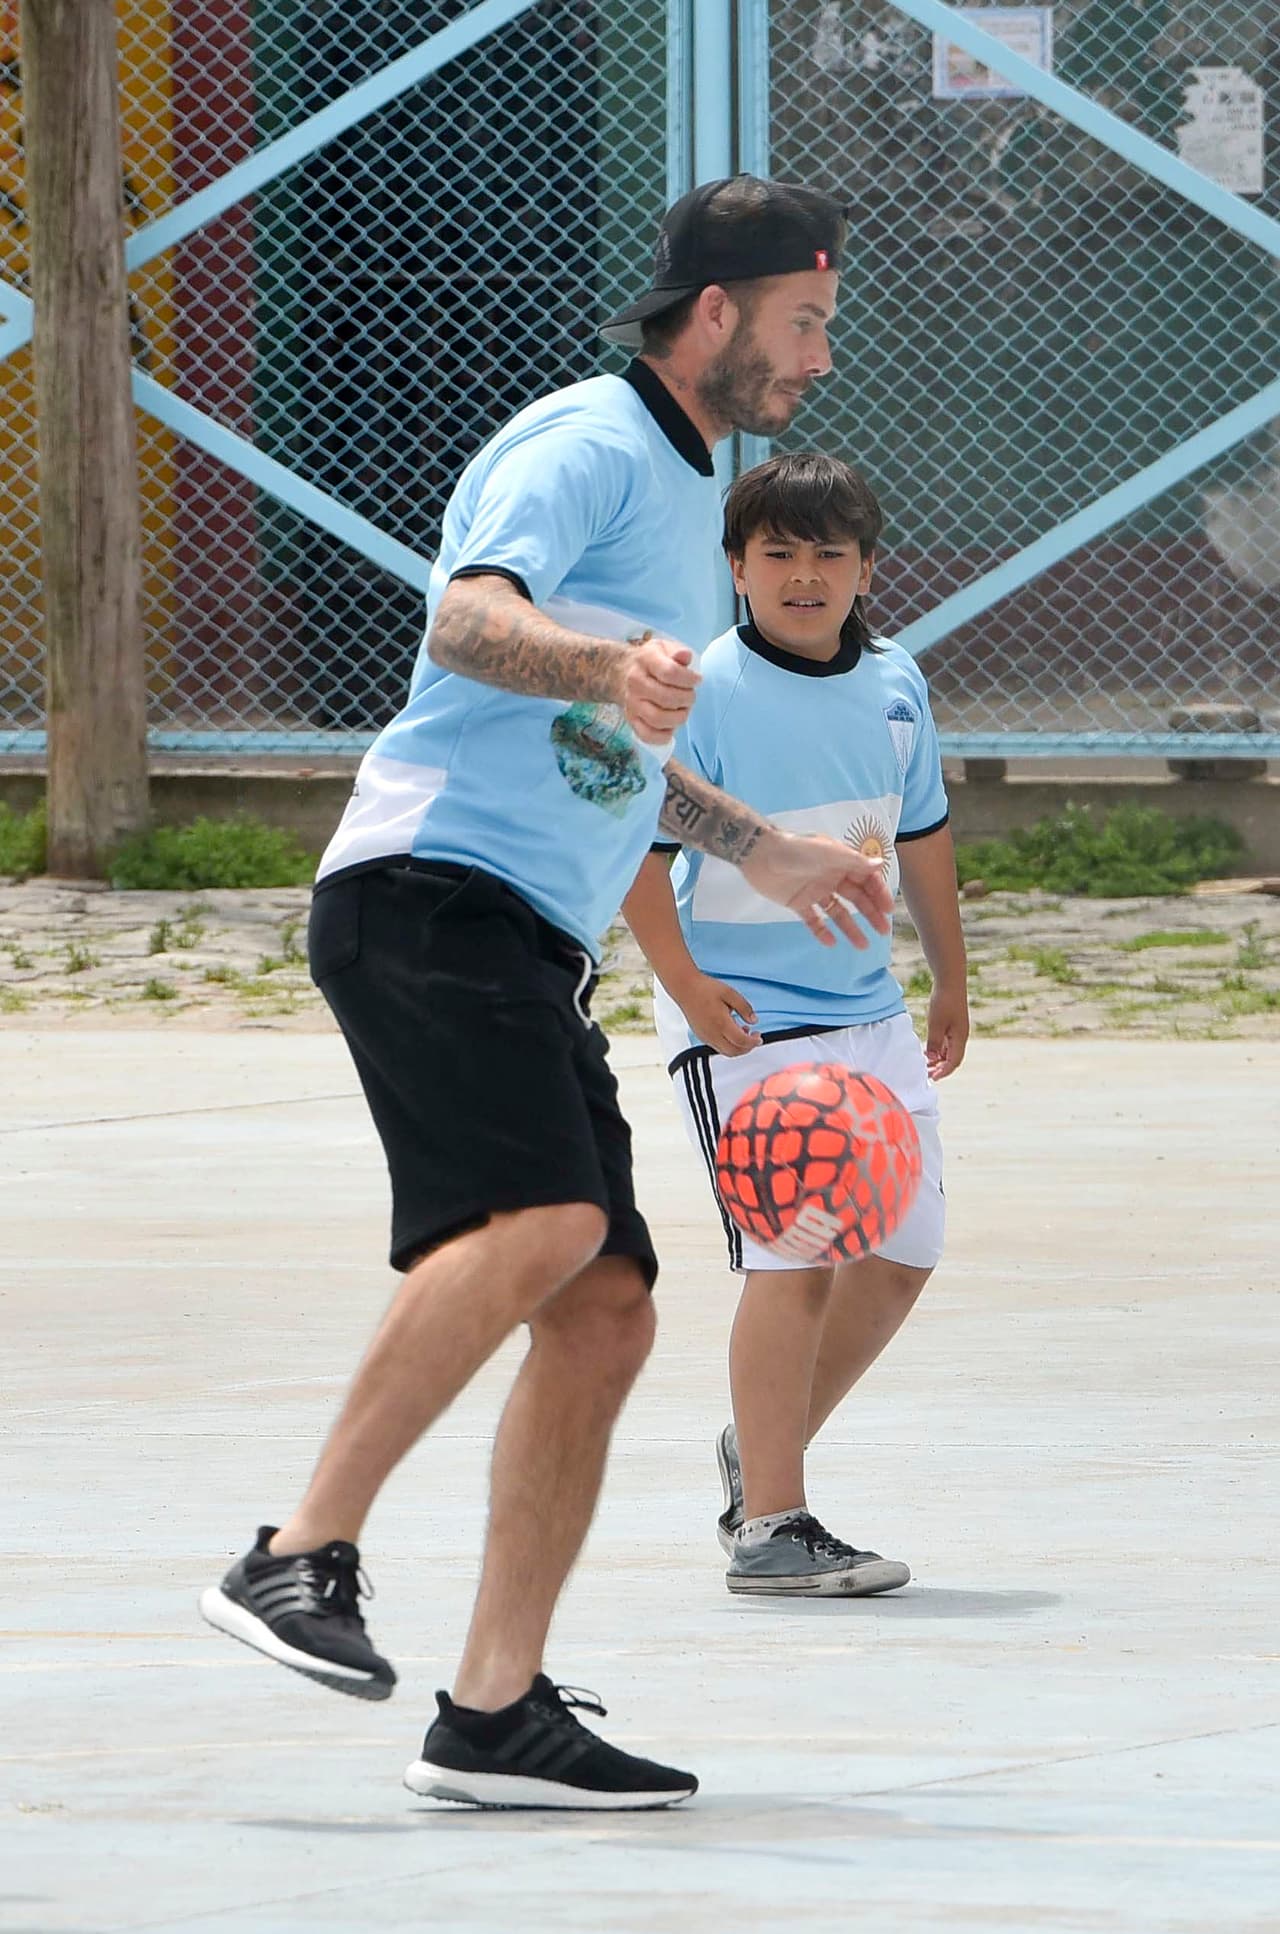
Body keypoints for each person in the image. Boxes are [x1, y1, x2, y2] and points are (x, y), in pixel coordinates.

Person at [199, 177, 896, 1810]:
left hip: (528, 936)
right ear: (717, 312)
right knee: (534, 1228)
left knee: (605, 1305)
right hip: (428, 889)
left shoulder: (684, 480)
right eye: (806, 326)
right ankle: (296, 1552)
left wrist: (757, 847)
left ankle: (496, 1703)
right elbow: (466, 618)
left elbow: (615, 747)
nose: (816, 361)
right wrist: (605, 661)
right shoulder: (586, 439)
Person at [622, 451, 968, 1599]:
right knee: (800, 1257)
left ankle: (754, 1450)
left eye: (829, 553)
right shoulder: (705, 690)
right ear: (734, 568)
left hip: (868, 1014)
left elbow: (918, 837)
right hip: (750, 1024)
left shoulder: (893, 685)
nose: (803, 574)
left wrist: (949, 978)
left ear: (868, 568)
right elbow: (637, 851)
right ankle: (772, 1522)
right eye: (776, 552)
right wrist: (685, 990)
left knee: (904, 1251)